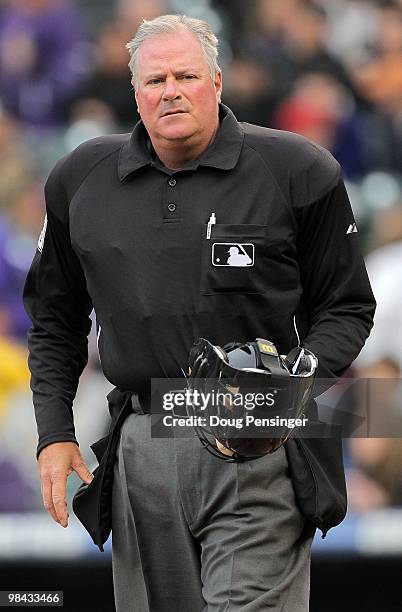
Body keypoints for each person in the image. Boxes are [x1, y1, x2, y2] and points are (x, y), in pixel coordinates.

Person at [23, 14, 376, 612]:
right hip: (141, 439)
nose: (171, 90)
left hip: (256, 442)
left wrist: (287, 392)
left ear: (217, 82)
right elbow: (56, 319)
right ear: (135, 92)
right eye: (156, 79)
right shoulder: (80, 177)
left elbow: (346, 306)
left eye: (186, 75)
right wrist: (54, 433)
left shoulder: (297, 168)